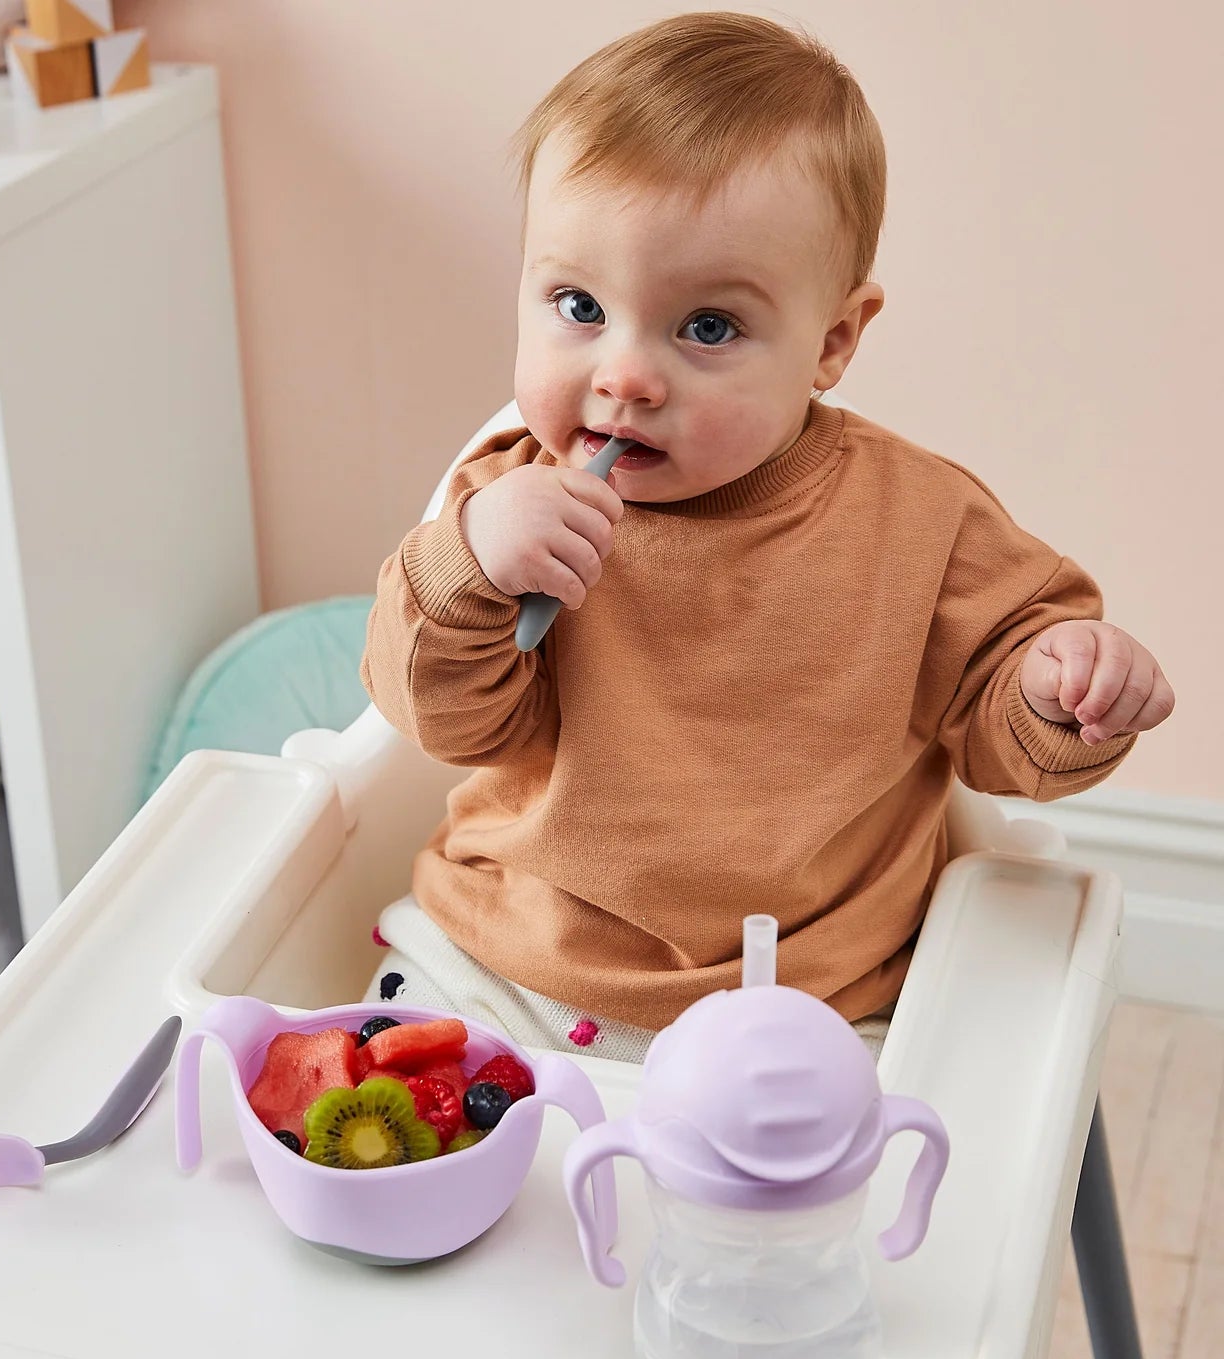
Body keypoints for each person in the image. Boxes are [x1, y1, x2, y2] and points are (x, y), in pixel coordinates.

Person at [360, 12, 1174, 1063]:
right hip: (497, 962)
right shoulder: (511, 500)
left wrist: (1066, 691)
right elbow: (437, 720)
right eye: (578, 304)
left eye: (707, 328)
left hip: (798, 1013)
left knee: (856, 1207)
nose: (624, 375)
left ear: (832, 340)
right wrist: (468, 561)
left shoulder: (920, 524)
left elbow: (1002, 722)